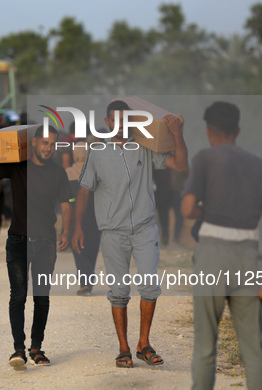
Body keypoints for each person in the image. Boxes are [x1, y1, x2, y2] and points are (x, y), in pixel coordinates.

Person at [72, 100, 188, 368]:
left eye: (126, 120)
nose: (120, 125)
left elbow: (180, 165)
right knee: (119, 292)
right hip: (113, 232)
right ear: (109, 122)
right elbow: (84, 190)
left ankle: (143, 344)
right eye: (115, 120)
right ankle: (123, 347)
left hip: (145, 229)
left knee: (149, 287)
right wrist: (77, 226)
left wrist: (179, 134)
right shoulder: (98, 151)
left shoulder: (146, 148)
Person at [181, 101, 262, 390]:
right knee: (252, 351)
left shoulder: (205, 158)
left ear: (210, 131)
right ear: (237, 129)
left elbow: (187, 209)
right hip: (249, 257)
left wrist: (206, 209)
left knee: (205, 348)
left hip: (212, 253)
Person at [0, 125, 72, 371]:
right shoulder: (18, 165)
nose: (48, 148)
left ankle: (36, 348)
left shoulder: (59, 172)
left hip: (46, 242)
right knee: (17, 296)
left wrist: (67, 230)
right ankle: (18, 350)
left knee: (41, 298)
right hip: (17, 241)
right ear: (34, 142)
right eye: (44, 143)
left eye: (52, 144)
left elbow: (66, 204)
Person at [66, 143, 101, 296]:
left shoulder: (67, 173)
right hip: (94, 216)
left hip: (75, 216)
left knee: (78, 248)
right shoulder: (97, 172)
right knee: (93, 246)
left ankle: (84, 281)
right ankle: (88, 278)